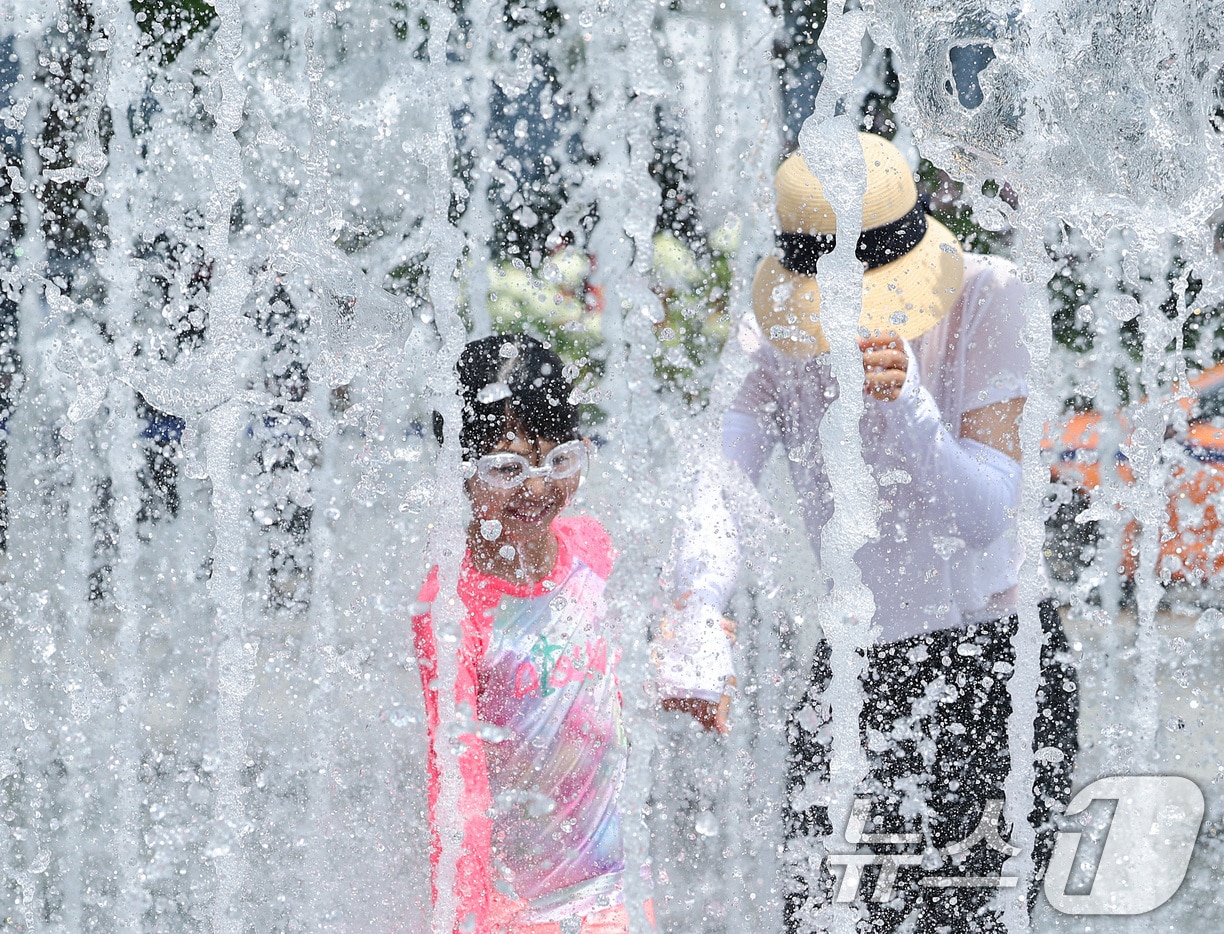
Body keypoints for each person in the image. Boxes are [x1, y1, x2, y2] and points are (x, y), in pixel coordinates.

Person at [656, 133, 1077, 932]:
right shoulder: (772, 327)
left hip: (994, 661)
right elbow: (720, 479)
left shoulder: (990, 295)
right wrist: (695, 608)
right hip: (858, 662)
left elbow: (986, 514)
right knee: (821, 913)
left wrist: (908, 406)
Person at [414, 334, 652, 934]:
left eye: (557, 461)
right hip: (520, 908)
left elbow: (621, 690)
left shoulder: (592, 550)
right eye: (507, 468)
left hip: (617, 886)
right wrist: (465, 913)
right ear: (459, 469)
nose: (537, 488)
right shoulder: (452, 604)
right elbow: (454, 778)